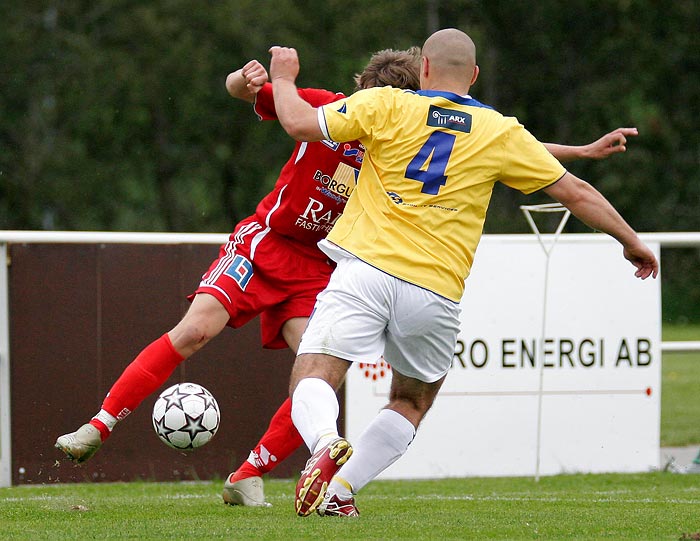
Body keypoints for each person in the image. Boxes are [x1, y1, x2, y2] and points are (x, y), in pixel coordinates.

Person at [54, 45, 640, 508]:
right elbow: (251, 96)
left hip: (320, 265)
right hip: (266, 242)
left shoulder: (392, 132)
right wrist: (248, 76)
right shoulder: (337, 107)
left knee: (317, 373)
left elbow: (480, 141)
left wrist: (580, 153)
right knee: (197, 330)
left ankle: (250, 475)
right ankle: (97, 426)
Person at [266, 28, 659, 518]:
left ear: (423, 69)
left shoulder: (387, 104)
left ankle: (325, 440)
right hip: (434, 291)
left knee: (315, 372)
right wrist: (631, 241)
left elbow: (300, 123)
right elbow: (575, 192)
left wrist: (284, 79)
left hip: (365, 269)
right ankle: (340, 493)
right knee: (411, 401)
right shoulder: (498, 130)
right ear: (474, 75)